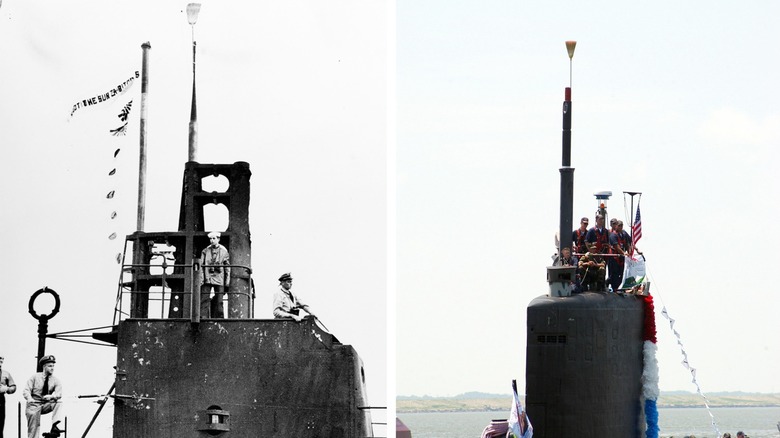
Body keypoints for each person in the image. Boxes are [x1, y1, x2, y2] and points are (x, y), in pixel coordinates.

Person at [23, 355, 62, 438]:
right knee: (34, 430)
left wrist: (51, 397)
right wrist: (29, 399)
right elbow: (26, 390)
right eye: (50, 366)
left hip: (45, 404)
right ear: (44, 367)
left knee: (58, 403)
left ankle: (54, 426)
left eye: (53, 366)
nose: (52, 368)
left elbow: (59, 394)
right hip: (33, 405)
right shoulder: (35, 377)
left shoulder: (55, 380)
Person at [199, 231, 230, 318]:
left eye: (214, 238)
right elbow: (201, 266)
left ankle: (219, 318)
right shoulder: (205, 251)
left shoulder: (224, 252)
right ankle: (203, 317)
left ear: (218, 239)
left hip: (219, 279)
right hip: (207, 278)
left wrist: (227, 283)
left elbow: (227, 268)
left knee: (219, 300)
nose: (212, 240)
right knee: (204, 299)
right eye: (210, 239)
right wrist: (201, 279)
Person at [608, 220, 632, 292]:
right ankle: (614, 287)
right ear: (616, 226)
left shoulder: (623, 235)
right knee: (614, 274)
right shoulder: (613, 235)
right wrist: (623, 253)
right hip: (614, 258)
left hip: (621, 258)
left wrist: (629, 252)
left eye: (621, 226)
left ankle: (620, 287)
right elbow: (616, 246)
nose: (620, 227)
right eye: (619, 226)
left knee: (621, 273)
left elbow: (627, 244)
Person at [0, 355, 17, 438]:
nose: (0, 364)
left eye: (1, 362)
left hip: (0, 400)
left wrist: (6, 388)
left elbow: (13, 387)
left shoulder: (6, 373)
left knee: (0, 425)